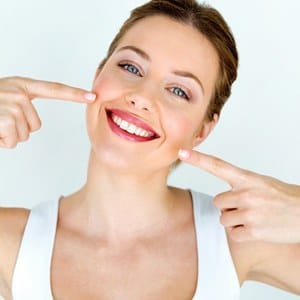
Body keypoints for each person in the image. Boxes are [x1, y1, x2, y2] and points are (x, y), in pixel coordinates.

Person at [0, 0, 299, 299]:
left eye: (179, 90)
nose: (141, 97)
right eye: (131, 67)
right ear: (97, 75)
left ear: (202, 130)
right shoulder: (11, 243)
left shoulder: (237, 237)